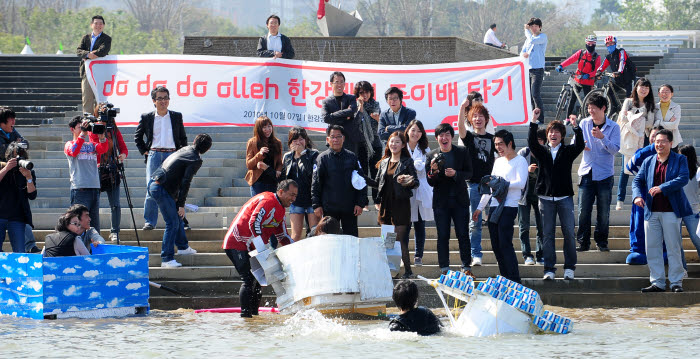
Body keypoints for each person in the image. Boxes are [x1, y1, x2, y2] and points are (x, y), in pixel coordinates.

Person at [222, 180, 297, 318]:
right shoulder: (268, 200)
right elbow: (254, 222)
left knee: (257, 281)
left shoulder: (280, 210)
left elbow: (283, 236)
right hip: (237, 242)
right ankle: (245, 316)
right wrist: (263, 247)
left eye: (295, 196)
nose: (293, 199)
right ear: (281, 192)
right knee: (248, 279)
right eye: (291, 195)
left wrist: (297, 249)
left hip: (253, 246)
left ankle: (254, 316)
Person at [632, 129, 692, 293]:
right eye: (657, 141)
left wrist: (662, 188)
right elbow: (637, 180)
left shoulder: (680, 159)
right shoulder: (649, 161)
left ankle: (676, 282)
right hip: (651, 212)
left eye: (663, 141)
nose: (659, 144)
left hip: (671, 211)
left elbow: (683, 178)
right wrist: (637, 196)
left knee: (673, 247)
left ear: (670, 143)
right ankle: (657, 282)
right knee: (652, 248)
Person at [528, 109, 585, 280]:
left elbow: (580, 145)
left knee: (568, 232)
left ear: (562, 135)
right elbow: (532, 143)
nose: (554, 134)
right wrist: (533, 121)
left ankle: (569, 268)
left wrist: (576, 127)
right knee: (547, 234)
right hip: (545, 199)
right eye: (551, 132)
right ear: (547, 135)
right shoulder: (542, 151)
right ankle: (549, 269)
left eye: (557, 132)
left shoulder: (567, 151)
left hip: (564, 197)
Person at [148, 134, 211, 268]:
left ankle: (183, 247)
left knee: (177, 218)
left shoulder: (186, 149)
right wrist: (181, 204)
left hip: (157, 183)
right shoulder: (195, 159)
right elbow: (185, 182)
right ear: (207, 149)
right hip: (161, 188)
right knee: (172, 222)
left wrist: (177, 201)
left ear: (194, 141)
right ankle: (166, 259)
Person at [474, 130, 528, 283]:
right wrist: (479, 207)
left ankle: (515, 281)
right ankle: (505, 280)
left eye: (501, 144)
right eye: (496, 144)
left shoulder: (520, 161)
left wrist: (503, 184)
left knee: (505, 243)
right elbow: (491, 187)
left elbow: (521, 183)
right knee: (496, 245)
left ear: (510, 143)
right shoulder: (498, 161)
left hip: (510, 206)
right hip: (494, 206)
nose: (498, 147)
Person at [364, 131, 418, 278]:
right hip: (386, 205)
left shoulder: (407, 161)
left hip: (401, 205)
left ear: (403, 145)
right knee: (388, 241)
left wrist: (409, 181)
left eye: (397, 142)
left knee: (399, 239)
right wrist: (363, 177)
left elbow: (416, 182)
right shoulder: (383, 162)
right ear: (388, 143)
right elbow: (377, 184)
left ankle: (408, 271)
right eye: (392, 141)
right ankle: (390, 270)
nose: (394, 144)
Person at [135, 86, 188, 230]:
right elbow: (138, 137)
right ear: (154, 100)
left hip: (172, 154)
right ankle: (150, 221)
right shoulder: (147, 117)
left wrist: (182, 154)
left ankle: (179, 220)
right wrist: (145, 151)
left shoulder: (176, 116)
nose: (163, 101)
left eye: (166, 98)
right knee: (151, 188)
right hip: (155, 154)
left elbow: (183, 138)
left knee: (174, 189)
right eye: (160, 98)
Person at [576, 92, 621, 252]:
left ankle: (601, 241)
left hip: (605, 175)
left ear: (603, 108)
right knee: (583, 210)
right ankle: (583, 242)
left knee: (603, 211)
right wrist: (582, 145)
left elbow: (615, 149)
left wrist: (602, 137)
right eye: (589, 108)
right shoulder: (584, 123)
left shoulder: (614, 127)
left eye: (594, 108)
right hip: (586, 172)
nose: (590, 111)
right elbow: (576, 143)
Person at [426, 123, 473, 276]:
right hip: (441, 202)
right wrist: (432, 171)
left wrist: (456, 174)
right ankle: (444, 268)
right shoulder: (431, 155)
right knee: (443, 235)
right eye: (441, 135)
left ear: (452, 137)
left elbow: (469, 173)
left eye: (447, 134)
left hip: (460, 200)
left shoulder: (462, 151)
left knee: (463, 234)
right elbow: (430, 181)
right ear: (437, 138)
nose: (444, 138)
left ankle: (466, 266)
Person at [311, 125, 368, 236]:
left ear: (343, 138)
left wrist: (360, 203)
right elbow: (315, 183)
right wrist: (316, 204)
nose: (336, 139)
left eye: (338, 136)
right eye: (332, 137)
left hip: (350, 207)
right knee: (330, 239)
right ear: (328, 139)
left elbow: (362, 182)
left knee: (351, 239)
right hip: (329, 208)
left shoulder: (352, 157)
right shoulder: (322, 159)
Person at [458, 102, 496, 267]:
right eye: (474, 116)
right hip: (474, 185)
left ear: (486, 119)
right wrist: (461, 109)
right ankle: (476, 254)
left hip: (491, 185)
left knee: (495, 220)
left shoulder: (493, 139)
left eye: (481, 116)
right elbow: (460, 129)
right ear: (470, 119)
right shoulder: (469, 138)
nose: (478, 119)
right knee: (475, 222)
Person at [624, 126, 663, 265]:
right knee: (638, 222)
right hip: (643, 195)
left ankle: (663, 250)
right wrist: (651, 148)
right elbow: (629, 167)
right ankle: (638, 250)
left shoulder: (670, 154)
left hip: (661, 197)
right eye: (653, 137)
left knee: (662, 225)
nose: (656, 141)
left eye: (659, 139)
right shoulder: (643, 152)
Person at [90, 103, 128, 242]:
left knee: (115, 204)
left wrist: (123, 155)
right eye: (102, 112)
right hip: (96, 170)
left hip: (112, 169)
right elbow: (96, 147)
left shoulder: (114, 129)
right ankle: (93, 232)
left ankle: (115, 231)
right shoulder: (94, 128)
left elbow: (123, 148)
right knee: (94, 204)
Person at [616, 78, 655, 210]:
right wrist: (640, 117)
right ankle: (620, 200)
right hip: (628, 138)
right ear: (636, 88)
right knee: (625, 169)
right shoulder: (628, 101)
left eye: (646, 87)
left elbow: (650, 123)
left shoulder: (649, 104)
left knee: (641, 169)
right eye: (641, 87)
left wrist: (633, 116)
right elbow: (622, 117)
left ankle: (640, 196)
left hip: (642, 139)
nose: (644, 90)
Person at [65, 115, 107, 233]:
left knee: (94, 225)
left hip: (94, 188)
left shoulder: (91, 145)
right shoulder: (69, 144)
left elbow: (103, 149)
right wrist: (82, 135)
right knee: (79, 224)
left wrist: (102, 136)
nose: (83, 130)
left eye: (85, 128)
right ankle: (79, 249)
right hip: (80, 189)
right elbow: (73, 151)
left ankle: (93, 249)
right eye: (80, 127)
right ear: (72, 129)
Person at [281, 126, 319, 241]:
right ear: (290, 142)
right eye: (295, 140)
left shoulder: (313, 154)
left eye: (301, 139)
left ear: (306, 140)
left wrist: (302, 154)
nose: (298, 142)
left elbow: (312, 174)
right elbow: (284, 178)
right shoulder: (287, 156)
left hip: (311, 199)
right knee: (295, 235)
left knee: (314, 233)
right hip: (296, 200)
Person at [405, 120, 434, 266]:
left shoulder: (425, 150)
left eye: (418, 131)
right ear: (408, 131)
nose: (415, 133)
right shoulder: (401, 146)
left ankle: (418, 255)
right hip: (403, 189)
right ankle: (404, 255)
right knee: (404, 224)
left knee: (420, 223)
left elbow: (429, 171)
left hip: (421, 189)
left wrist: (421, 167)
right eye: (413, 130)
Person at [0, 142, 36, 253]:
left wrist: (28, 177)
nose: (19, 159)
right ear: (9, 157)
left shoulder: (28, 172)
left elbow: (32, 195)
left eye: (22, 156)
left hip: (17, 218)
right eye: (16, 156)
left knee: (19, 252)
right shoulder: (2, 167)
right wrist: (6, 168)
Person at [517, 128, 546, 265]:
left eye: (539, 141)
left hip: (541, 195)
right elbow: (515, 172)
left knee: (542, 226)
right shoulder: (523, 153)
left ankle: (540, 255)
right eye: (534, 141)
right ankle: (527, 255)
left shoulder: (546, 153)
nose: (536, 144)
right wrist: (526, 170)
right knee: (524, 226)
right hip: (524, 195)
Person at [354, 81, 383, 207]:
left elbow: (381, 124)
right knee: (363, 172)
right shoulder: (354, 105)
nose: (364, 95)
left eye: (367, 92)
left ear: (371, 92)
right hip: (361, 144)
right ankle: (364, 202)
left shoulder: (376, 105)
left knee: (376, 172)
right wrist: (360, 107)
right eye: (361, 92)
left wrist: (378, 119)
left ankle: (377, 200)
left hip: (375, 143)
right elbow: (355, 122)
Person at [555, 35, 600, 117]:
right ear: (586, 44)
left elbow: (596, 70)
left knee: (588, 101)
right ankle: (567, 119)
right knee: (572, 99)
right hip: (578, 79)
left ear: (595, 44)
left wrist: (589, 75)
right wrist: (561, 65)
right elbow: (571, 59)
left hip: (588, 81)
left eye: (592, 44)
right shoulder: (581, 53)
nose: (590, 46)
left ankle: (588, 117)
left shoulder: (597, 57)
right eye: (588, 44)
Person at [321, 71, 363, 155]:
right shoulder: (326, 101)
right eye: (337, 82)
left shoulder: (351, 98)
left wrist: (333, 116)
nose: (339, 84)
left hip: (351, 137)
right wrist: (345, 116)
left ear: (344, 83)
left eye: (342, 82)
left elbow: (352, 111)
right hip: (334, 139)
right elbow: (326, 118)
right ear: (331, 84)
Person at [76, 15, 111, 113]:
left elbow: (103, 51)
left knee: (100, 99)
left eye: (100, 24)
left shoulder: (107, 38)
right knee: (87, 98)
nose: (98, 26)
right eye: (96, 23)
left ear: (103, 25)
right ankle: (87, 122)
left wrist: (89, 55)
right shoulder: (85, 38)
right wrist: (88, 54)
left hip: (101, 73)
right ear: (91, 25)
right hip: (87, 73)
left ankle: (100, 122)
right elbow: (79, 51)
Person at [245, 116, 283, 196]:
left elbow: (279, 162)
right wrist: (259, 154)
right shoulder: (252, 142)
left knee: (271, 206)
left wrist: (279, 170)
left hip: (272, 181)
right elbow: (249, 165)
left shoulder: (277, 143)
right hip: (258, 182)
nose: (267, 129)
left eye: (269, 126)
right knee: (259, 206)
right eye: (264, 127)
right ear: (258, 129)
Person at [521, 17, 547, 124]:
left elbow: (532, 40)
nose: (534, 28)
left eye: (536, 26)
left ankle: (541, 118)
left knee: (535, 93)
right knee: (529, 95)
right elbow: (523, 51)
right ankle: (532, 117)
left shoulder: (542, 37)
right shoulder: (528, 39)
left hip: (538, 69)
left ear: (540, 27)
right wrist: (524, 54)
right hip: (528, 68)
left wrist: (526, 30)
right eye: (532, 27)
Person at [679, 145, 700, 260]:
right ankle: (682, 269)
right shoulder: (676, 169)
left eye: (680, 155)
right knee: (676, 242)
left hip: (692, 209)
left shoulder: (698, 171)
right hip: (675, 209)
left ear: (686, 157)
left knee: (697, 239)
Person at [653, 84, 682, 149]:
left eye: (667, 92)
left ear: (672, 94)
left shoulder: (676, 107)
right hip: (658, 140)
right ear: (658, 94)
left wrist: (658, 122)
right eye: (662, 92)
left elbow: (674, 125)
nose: (664, 94)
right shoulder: (654, 107)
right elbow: (652, 125)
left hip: (672, 139)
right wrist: (669, 122)